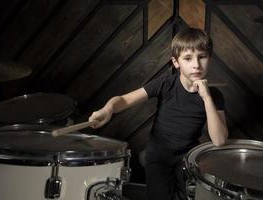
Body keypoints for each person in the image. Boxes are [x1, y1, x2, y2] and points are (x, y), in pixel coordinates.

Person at [88, 27, 228, 200]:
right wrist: (107, 109)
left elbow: (219, 140)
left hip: (186, 158)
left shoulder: (215, 96)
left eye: (202, 57)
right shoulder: (165, 84)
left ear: (210, 59)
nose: (196, 65)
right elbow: (123, 100)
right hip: (158, 154)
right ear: (176, 62)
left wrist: (206, 98)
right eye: (188, 58)